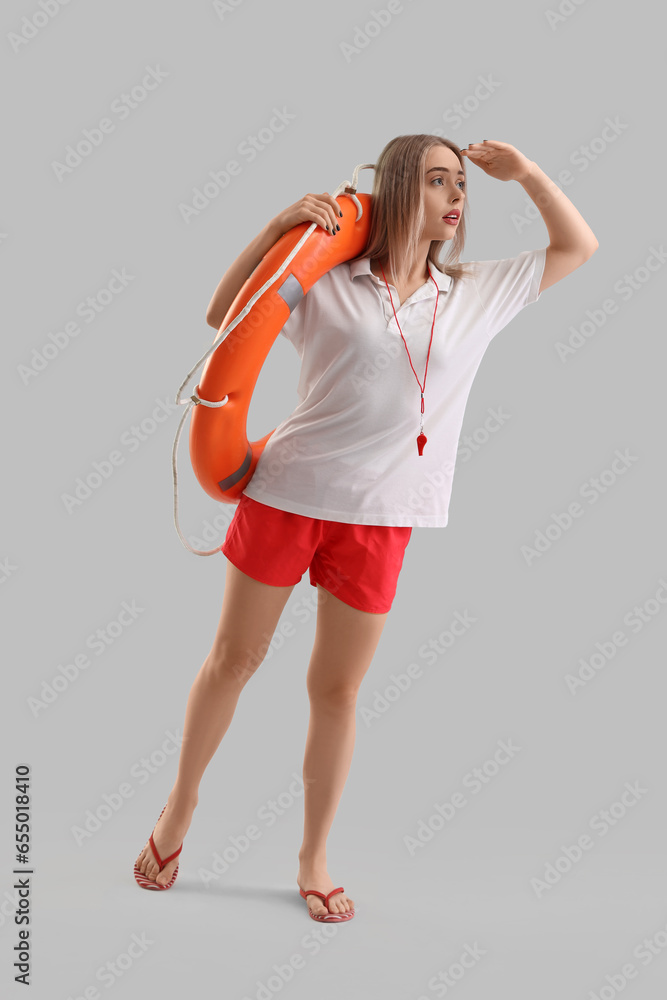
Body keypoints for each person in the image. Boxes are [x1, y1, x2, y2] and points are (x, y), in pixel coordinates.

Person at [133, 134, 598, 920]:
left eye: (461, 184)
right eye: (438, 181)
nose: (456, 196)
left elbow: (576, 245)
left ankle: (313, 857)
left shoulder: (474, 291)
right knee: (232, 660)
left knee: (337, 689)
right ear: (394, 190)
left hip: (383, 518)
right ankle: (177, 812)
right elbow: (223, 315)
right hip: (287, 492)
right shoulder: (328, 281)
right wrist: (281, 226)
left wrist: (523, 174)